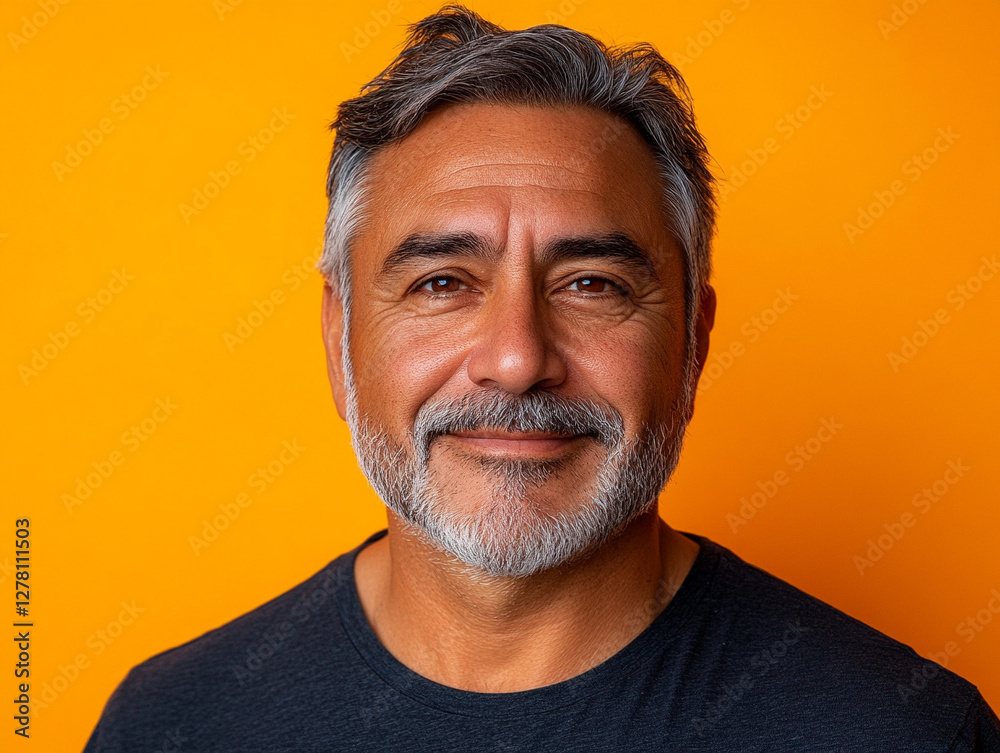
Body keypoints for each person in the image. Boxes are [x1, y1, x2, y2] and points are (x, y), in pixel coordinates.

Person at [84, 5, 999, 751]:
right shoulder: (170, 726)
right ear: (339, 334)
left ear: (693, 342)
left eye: (591, 284)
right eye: (443, 283)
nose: (518, 359)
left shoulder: (907, 734)